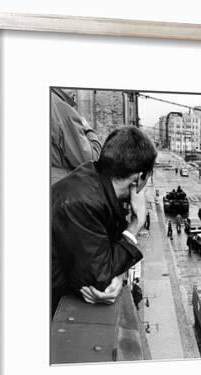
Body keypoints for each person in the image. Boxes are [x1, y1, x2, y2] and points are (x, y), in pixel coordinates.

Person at [51, 126, 157, 317]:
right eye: (149, 176)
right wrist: (136, 223)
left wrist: (117, 276)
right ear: (138, 178)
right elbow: (99, 279)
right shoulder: (83, 203)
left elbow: (105, 257)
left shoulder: (95, 181)